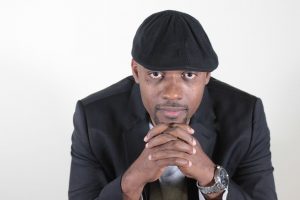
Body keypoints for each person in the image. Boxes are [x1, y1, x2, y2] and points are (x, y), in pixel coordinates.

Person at [68, 10, 277, 200]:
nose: (173, 93)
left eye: (189, 74)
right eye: (156, 74)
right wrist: (130, 183)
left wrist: (211, 179)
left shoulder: (246, 117)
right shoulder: (94, 119)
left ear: (207, 76)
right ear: (135, 71)